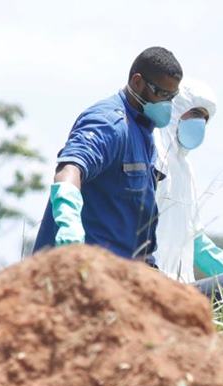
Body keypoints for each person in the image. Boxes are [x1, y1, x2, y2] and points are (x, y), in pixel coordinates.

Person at [33, 47, 183, 264]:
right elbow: (71, 167)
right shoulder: (109, 124)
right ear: (137, 82)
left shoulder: (143, 130)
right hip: (83, 268)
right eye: (161, 94)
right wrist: (69, 223)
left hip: (127, 271)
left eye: (172, 97)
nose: (166, 104)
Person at [152, 78, 223, 282]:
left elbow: (195, 241)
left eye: (205, 119)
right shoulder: (152, 153)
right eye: (196, 113)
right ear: (175, 109)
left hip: (179, 289)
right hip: (145, 282)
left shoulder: (185, 169)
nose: (200, 123)